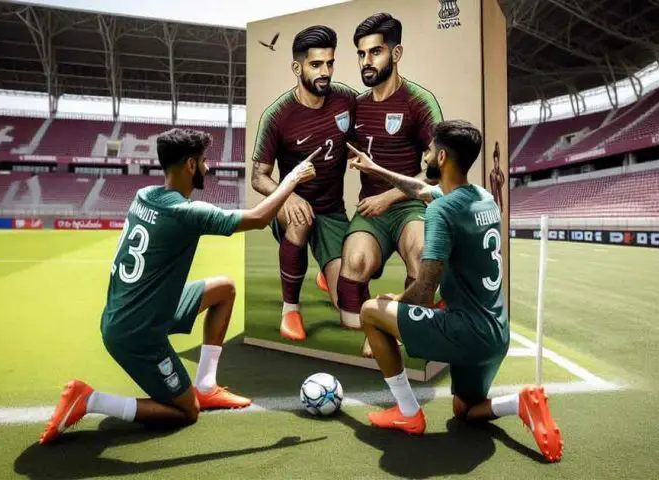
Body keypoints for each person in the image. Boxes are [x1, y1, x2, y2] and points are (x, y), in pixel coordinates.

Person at [38, 128, 318, 445]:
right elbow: (258, 218)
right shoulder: (185, 213)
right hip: (137, 332)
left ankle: (207, 386)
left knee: (224, 289)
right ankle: (91, 399)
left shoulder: (144, 195)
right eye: (204, 161)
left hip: (143, 309)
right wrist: (291, 179)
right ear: (190, 165)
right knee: (187, 412)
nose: (208, 168)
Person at [347, 120, 563, 463]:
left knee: (371, 312)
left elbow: (424, 292)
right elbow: (421, 190)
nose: (425, 155)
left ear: (442, 157)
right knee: (465, 411)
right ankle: (518, 402)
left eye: (429, 150)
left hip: (466, 332)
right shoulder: (483, 199)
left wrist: (394, 301)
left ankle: (408, 413)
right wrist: (374, 168)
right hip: (496, 334)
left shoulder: (442, 210)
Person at [335, 12, 443, 357]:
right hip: (371, 208)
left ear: (396, 54)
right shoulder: (356, 105)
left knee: (422, 252)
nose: (366, 61)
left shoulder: (419, 101)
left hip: (410, 205)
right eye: (361, 54)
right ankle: (376, 319)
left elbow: (437, 170)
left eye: (375, 52)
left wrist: (390, 196)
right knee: (354, 266)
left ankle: (401, 322)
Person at [250, 25, 358, 341]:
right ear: (297, 68)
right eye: (316, 64)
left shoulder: (346, 100)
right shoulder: (277, 115)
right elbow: (258, 177)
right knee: (300, 219)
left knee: (349, 306)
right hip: (292, 207)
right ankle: (290, 310)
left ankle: (328, 270)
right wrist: (288, 195)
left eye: (329, 63)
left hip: (332, 212)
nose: (325, 72)